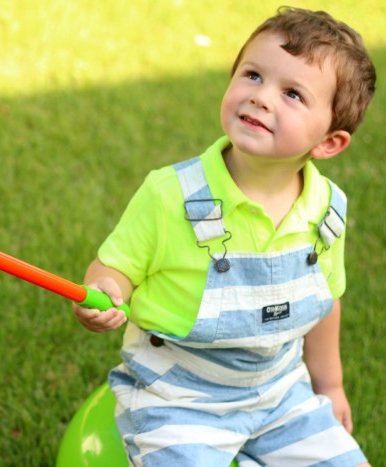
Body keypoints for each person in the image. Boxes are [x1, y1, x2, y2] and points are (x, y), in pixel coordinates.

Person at [72, 7, 376, 466]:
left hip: (281, 394)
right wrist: (104, 291)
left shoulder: (328, 209)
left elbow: (325, 300)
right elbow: (115, 268)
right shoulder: (170, 193)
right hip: (177, 395)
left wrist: (329, 386)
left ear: (328, 142)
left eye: (292, 93)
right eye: (253, 76)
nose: (262, 98)